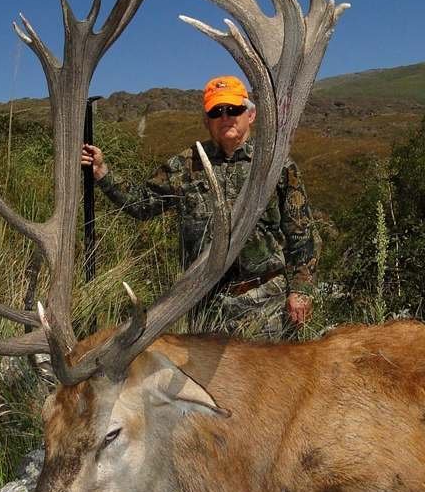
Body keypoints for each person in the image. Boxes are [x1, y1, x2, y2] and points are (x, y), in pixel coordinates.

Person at [81, 76, 321, 339]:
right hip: (206, 305)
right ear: (207, 121)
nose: (226, 116)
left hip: (267, 305)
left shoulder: (277, 165)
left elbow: (303, 235)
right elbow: (142, 204)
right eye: (216, 112)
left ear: (250, 115)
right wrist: (102, 172)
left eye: (234, 109)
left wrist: (301, 290)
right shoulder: (186, 164)